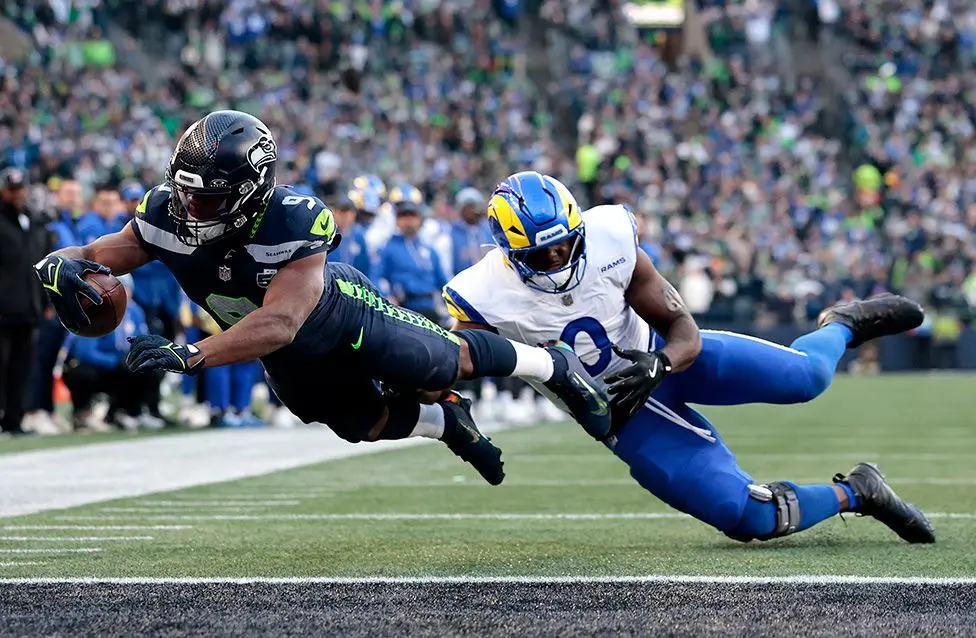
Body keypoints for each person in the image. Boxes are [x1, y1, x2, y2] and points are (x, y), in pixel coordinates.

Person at [33, 110, 611, 486]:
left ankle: (551, 365)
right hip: (284, 358)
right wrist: (60, 267)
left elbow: (282, 320)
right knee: (360, 424)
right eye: (185, 192)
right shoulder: (165, 213)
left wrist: (191, 356)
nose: (189, 209)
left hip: (341, 317)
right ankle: (447, 425)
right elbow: (100, 250)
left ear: (250, 191)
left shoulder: (294, 220)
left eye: (206, 199)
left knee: (443, 361)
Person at [443, 170, 935, 544]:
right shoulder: (481, 294)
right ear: (507, 252)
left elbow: (683, 329)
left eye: (565, 246)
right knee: (750, 519)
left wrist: (659, 364)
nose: (556, 261)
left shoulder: (611, 235)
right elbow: (453, 362)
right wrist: (442, 410)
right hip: (619, 414)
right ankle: (860, 491)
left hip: (663, 359)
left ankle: (843, 325)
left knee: (806, 377)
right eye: (538, 255)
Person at [62, 274, 162, 430]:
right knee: (84, 373)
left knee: (149, 368)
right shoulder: (94, 310)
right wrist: (114, 361)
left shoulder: (134, 311)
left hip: (120, 366)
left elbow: (143, 341)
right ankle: (83, 414)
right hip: (95, 365)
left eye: (127, 289)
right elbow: (85, 352)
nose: (125, 294)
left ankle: (128, 411)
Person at [0, 168, 50, 436]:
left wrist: (46, 301)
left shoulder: (33, 222)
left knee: (22, 369)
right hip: (3, 310)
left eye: (21, 189)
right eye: (12, 189)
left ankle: (14, 420)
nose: (17, 194)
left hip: (29, 309)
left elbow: (40, 267)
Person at [375, 184, 451, 324]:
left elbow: (444, 281)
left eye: (413, 215)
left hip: (431, 308)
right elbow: (376, 278)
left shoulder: (429, 250)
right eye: (404, 216)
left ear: (420, 219)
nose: (409, 220)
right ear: (397, 220)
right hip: (404, 309)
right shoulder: (387, 248)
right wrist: (387, 296)